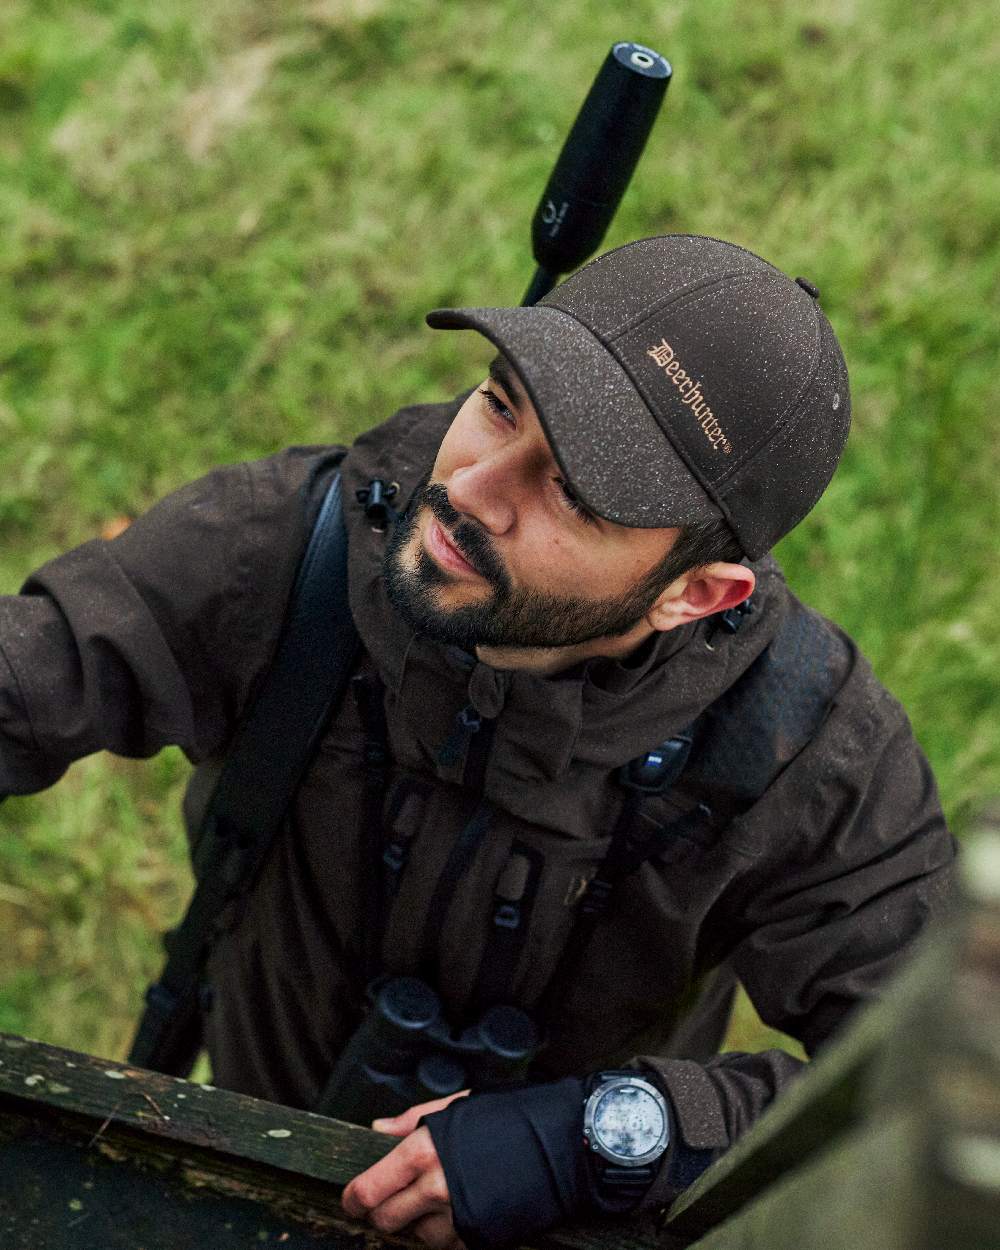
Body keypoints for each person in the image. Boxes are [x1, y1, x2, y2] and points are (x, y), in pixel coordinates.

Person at [0, 235, 954, 1248]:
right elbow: (32, 671)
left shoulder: (808, 752)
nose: (472, 487)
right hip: (255, 1132)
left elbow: (935, 1077)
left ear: (694, 593)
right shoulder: (297, 546)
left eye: (575, 493)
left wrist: (611, 1136)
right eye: (501, 400)